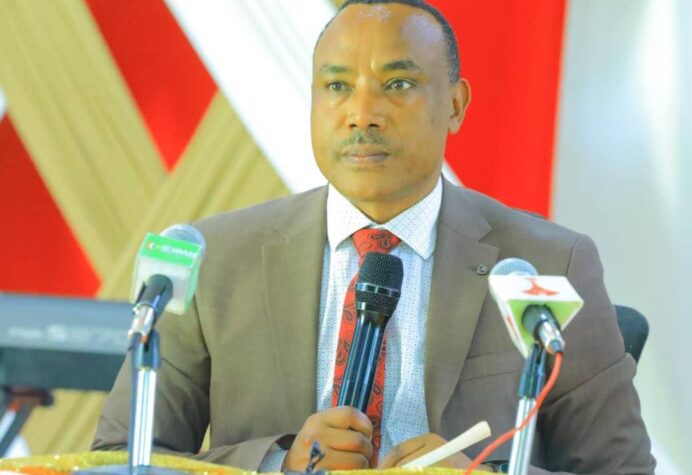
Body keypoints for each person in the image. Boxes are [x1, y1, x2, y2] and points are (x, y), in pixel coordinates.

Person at [93, 1, 656, 473]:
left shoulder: (550, 261)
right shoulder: (217, 260)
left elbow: (622, 469)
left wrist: (484, 474)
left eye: (398, 84)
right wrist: (277, 464)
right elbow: (119, 459)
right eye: (337, 86)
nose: (362, 114)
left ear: (455, 105)